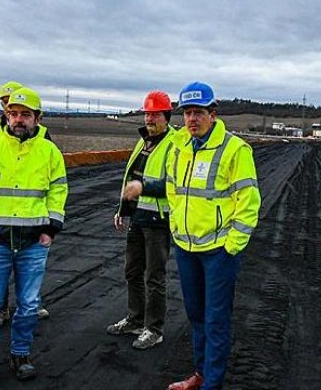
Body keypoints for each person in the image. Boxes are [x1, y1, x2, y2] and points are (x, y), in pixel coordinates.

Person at [0, 86, 68, 390]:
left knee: (29, 303)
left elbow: (58, 191)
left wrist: (51, 228)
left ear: (36, 118)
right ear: (6, 115)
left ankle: (21, 356)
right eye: (13, 113)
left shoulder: (49, 152)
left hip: (34, 243)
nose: (18, 119)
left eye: (25, 114)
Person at [165, 82, 261, 390]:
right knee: (195, 315)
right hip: (185, 246)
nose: (192, 119)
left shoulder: (235, 149)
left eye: (199, 113)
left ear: (213, 114)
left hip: (219, 251)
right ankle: (201, 373)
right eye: (187, 113)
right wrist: (177, 227)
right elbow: (173, 191)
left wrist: (232, 246)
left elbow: (249, 203)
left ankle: (212, 384)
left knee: (216, 319)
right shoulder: (178, 147)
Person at [0, 81, 51, 323]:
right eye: (7, 103)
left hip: (29, 217)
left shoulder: (41, 133)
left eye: (19, 107)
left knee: (27, 270)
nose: (11, 108)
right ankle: (1, 309)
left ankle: (29, 304)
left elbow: (50, 174)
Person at [107, 90, 176, 350]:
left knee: (154, 277)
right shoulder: (143, 141)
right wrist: (122, 209)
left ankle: (153, 329)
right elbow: (131, 177)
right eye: (147, 113)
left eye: (155, 114)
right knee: (132, 271)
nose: (150, 118)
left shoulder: (174, 144)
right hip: (138, 217)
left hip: (158, 220)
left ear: (166, 116)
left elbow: (175, 183)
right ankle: (135, 320)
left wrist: (143, 187)